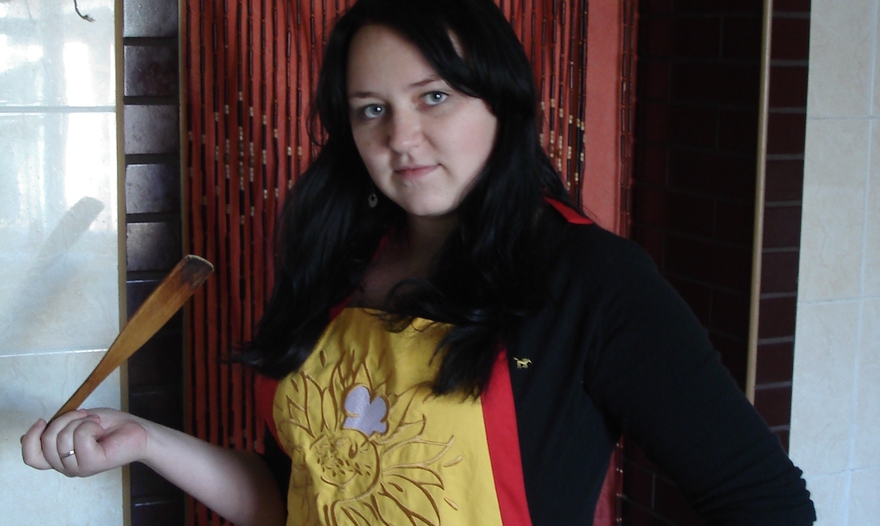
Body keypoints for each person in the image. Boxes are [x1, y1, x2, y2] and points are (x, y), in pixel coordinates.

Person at [22, 0, 816, 524]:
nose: (400, 139)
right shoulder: (334, 263)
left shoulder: (588, 278)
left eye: (434, 97)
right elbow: (297, 499)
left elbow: (766, 505)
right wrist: (145, 441)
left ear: (500, 100)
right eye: (372, 110)